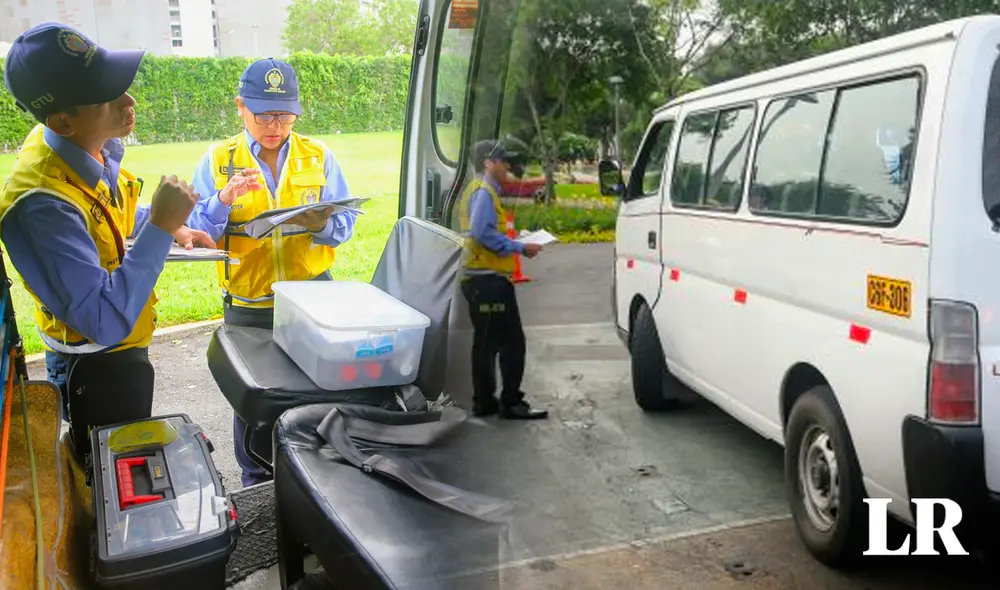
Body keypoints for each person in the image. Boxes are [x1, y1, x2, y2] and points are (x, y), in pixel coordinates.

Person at [0, 22, 210, 459]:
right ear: (62, 120)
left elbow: (106, 211)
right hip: (93, 367)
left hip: (120, 357)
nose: (128, 101)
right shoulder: (42, 206)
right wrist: (160, 228)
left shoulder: (77, 146)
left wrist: (168, 225)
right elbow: (102, 319)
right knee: (104, 475)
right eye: (106, 94)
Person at [185, 57, 358, 487]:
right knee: (253, 400)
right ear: (240, 107)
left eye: (284, 115)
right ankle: (256, 482)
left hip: (312, 300)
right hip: (250, 303)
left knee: (318, 390)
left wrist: (321, 225)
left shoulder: (318, 155)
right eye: (263, 115)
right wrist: (222, 201)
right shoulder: (217, 159)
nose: (274, 126)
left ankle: (317, 477)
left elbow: (345, 225)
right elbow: (195, 232)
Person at [458, 140, 548, 420]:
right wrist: (520, 247)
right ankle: (511, 402)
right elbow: (482, 233)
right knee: (512, 343)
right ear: (489, 163)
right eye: (503, 161)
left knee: (486, 344)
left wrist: (514, 240)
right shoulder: (483, 192)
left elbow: (485, 231)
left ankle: (484, 402)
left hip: (478, 281)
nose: (508, 166)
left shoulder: (478, 190)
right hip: (490, 282)